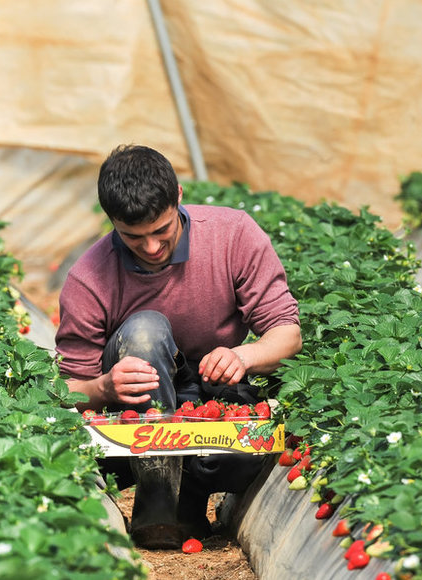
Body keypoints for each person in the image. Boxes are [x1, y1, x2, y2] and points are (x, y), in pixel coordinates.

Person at [55, 144, 302, 549]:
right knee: (145, 332)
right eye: (133, 236)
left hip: (212, 396)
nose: (151, 248)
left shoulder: (233, 235)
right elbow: (66, 390)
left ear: (179, 198)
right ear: (111, 221)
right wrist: (102, 388)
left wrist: (243, 355)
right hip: (135, 416)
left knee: (244, 457)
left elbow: (287, 333)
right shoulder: (89, 279)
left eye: (161, 230)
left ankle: (188, 497)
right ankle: (157, 503)